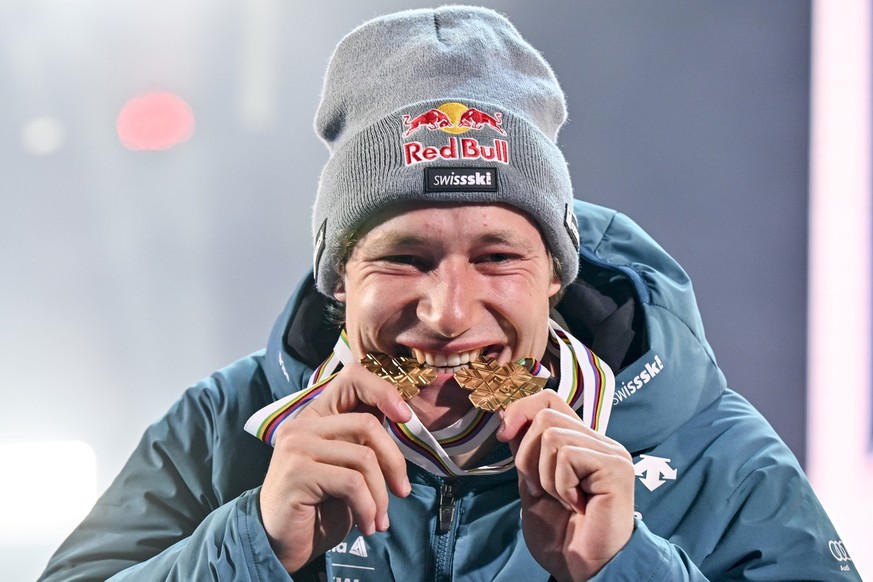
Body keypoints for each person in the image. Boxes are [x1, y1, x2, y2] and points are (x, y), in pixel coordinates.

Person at [40, 6, 859, 581]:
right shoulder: (222, 428)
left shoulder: (711, 452)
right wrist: (252, 548)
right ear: (340, 280)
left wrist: (621, 571)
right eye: (404, 258)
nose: (448, 314)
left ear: (555, 275)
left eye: (497, 256)